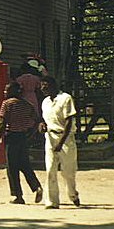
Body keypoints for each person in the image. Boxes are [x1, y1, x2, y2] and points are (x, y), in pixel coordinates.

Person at [0, 81, 44, 204]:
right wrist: (30, 134)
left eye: (7, 90)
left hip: (11, 137)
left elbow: (2, 122)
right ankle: (36, 186)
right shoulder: (26, 104)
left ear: (13, 91)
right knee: (24, 164)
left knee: (12, 167)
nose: (5, 92)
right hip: (22, 137)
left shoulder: (7, 104)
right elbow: (36, 120)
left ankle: (18, 195)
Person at [40, 76, 80, 209]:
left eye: (45, 85)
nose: (42, 88)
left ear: (52, 85)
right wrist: (42, 125)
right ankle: (52, 201)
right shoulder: (45, 102)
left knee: (68, 171)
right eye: (41, 86)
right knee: (50, 169)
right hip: (50, 137)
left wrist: (61, 142)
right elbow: (46, 120)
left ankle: (72, 194)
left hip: (65, 138)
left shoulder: (65, 98)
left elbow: (69, 122)